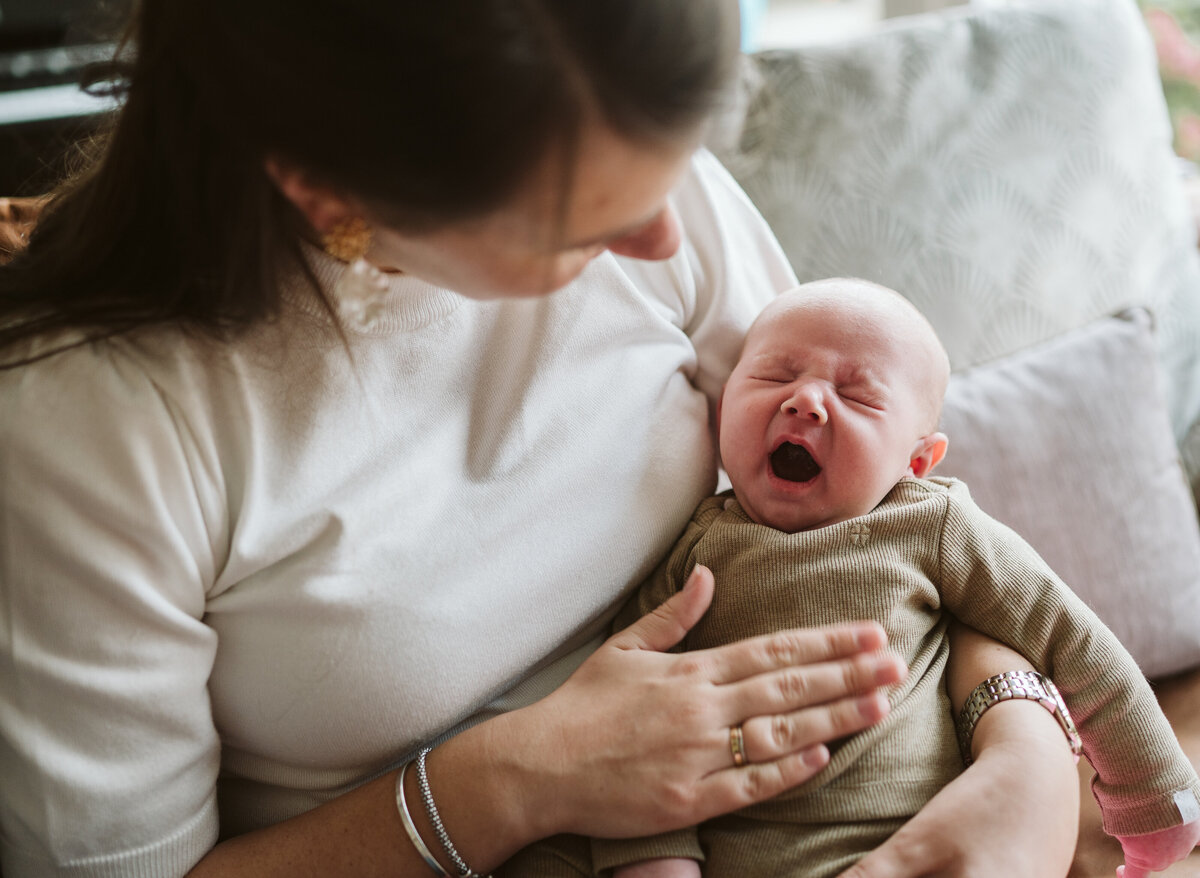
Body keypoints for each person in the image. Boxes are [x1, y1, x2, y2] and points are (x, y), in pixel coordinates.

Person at [0, 2, 1086, 877]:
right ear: (334, 193)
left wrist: (1021, 750)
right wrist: (519, 775)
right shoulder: (89, 429)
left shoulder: (612, 146)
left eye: (672, 172)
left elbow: (888, 506)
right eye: (582, 226)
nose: (661, 236)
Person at [498, 279, 1200, 878]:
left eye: (859, 397)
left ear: (917, 461)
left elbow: (1067, 635)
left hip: (909, 846)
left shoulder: (932, 524)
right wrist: (660, 861)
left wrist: (1153, 794)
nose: (806, 402)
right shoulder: (693, 546)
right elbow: (630, 727)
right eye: (773, 375)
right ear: (721, 407)